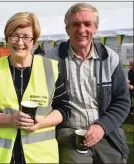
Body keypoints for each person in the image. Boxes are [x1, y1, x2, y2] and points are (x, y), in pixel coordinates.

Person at [0, 12, 71, 163]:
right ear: (7, 38)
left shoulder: (50, 68)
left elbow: (63, 109)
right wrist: (10, 119)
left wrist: (41, 123)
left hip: (40, 156)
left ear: (34, 41)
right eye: (14, 36)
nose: (20, 42)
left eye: (26, 37)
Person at [46, 3, 130, 164]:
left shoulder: (109, 58)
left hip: (105, 132)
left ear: (96, 28)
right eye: (75, 24)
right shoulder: (51, 60)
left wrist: (102, 127)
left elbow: (122, 100)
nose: (81, 30)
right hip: (69, 133)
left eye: (87, 24)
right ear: (67, 28)